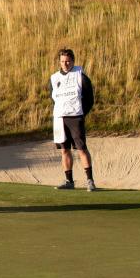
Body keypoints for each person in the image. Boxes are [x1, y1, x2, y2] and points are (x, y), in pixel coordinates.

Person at [49, 48, 96, 191]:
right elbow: (54, 98)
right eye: (63, 61)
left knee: (81, 148)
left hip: (75, 118)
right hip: (59, 119)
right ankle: (69, 181)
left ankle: (90, 181)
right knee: (64, 150)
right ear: (59, 62)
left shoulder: (80, 76)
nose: (65, 64)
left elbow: (89, 99)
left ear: (73, 61)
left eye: (68, 61)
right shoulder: (54, 78)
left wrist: (81, 113)